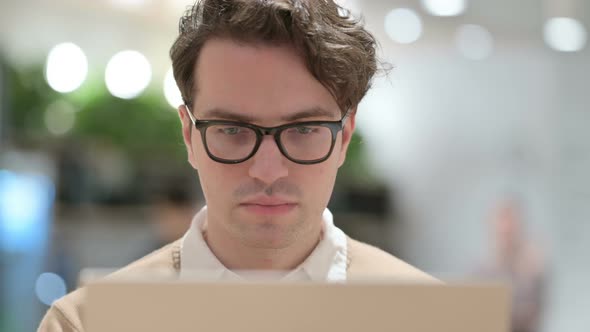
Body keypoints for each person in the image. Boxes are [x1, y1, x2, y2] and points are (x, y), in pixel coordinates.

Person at [38, 0, 438, 330]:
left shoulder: (430, 319)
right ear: (190, 136)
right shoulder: (86, 325)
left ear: (343, 138)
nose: (267, 170)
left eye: (303, 129)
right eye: (232, 130)